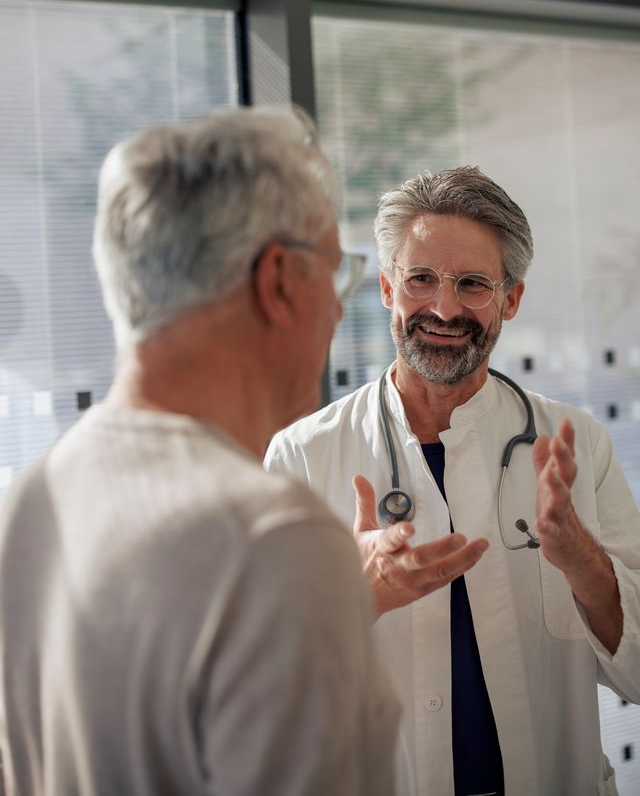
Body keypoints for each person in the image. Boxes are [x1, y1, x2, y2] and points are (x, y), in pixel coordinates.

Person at [0, 107, 400, 796]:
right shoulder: (276, 540)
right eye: (335, 275)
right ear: (278, 281)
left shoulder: (29, 504)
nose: (339, 313)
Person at [265, 165, 640, 796]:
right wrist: (359, 598)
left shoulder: (576, 445)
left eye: (472, 284)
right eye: (420, 279)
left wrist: (582, 561)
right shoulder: (304, 458)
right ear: (387, 287)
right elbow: (262, 701)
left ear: (511, 300)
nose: (442, 308)